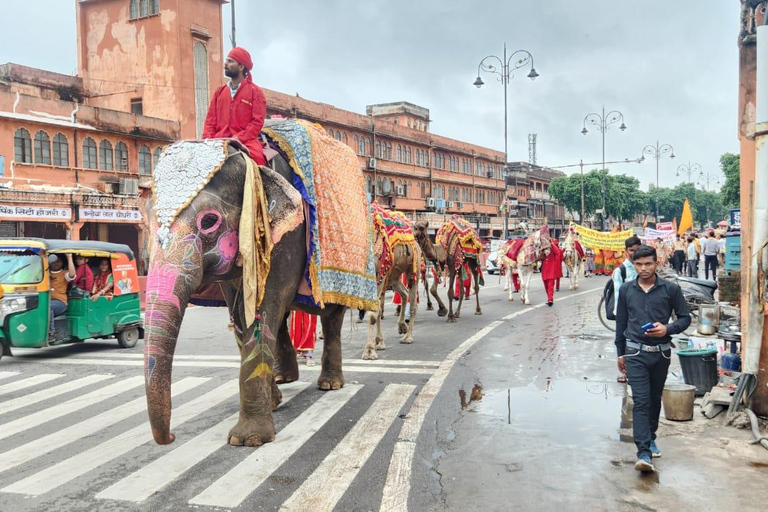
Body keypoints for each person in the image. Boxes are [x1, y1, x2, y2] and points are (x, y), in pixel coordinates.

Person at [615, 244, 691, 473]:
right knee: (641, 401)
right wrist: (620, 353)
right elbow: (620, 325)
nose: (643, 269)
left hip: (661, 353)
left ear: (657, 263)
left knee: (654, 399)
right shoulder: (626, 290)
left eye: (648, 264)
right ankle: (644, 452)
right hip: (635, 352)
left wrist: (667, 329)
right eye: (638, 264)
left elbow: (685, 318)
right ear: (633, 264)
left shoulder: (670, 289)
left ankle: (651, 437)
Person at [202, 47, 268, 165]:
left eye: (230, 61)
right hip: (219, 139)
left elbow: (257, 122)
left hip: (246, 141)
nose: (225, 64)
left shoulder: (255, 92)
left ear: (241, 67)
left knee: (258, 163)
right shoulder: (219, 92)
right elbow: (210, 121)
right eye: (226, 61)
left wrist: (238, 138)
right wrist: (208, 139)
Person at [612, 236, 642, 383]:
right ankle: (626, 372)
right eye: (631, 250)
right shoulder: (621, 271)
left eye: (637, 250)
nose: (634, 253)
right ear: (626, 252)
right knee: (624, 342)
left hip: (644, 314)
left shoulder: (644, 268)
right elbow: (619, 297)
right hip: (627, 315)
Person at [49, 254, 76, 336]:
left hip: (60, 302)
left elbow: (72, 274)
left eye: (59, 261)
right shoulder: (45, 274)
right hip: (46, 300)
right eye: (54, 261)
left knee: (48, 307)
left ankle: (51, 332)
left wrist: (69, 257)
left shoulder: (64, 273)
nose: (56, 263)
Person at [540, 238, 562, 306]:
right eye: (546, 250)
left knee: (550, 287)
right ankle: (549, 298)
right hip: (544, 274)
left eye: (548, 250)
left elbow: (557, 252)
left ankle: (550, 299)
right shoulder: (542, 255)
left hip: (551, 273)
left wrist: (551, 243)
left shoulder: (553, 253)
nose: (547, 251)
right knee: (546, 287)